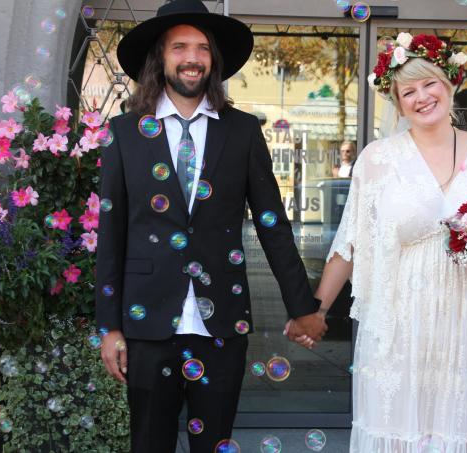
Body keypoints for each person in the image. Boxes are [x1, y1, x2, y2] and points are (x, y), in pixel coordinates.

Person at [94, 1, 327, 451]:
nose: (192, 57)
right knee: (148, 444)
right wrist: (110, 327)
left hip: (220, 321)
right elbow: (112, 234)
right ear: (160, 57)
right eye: (179, 46)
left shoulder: (241, 132)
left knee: (215, 443)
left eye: (202, 48)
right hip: (147, 323)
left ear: (213, 60)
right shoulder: (123, 133)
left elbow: (272, 224)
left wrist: (304, 306)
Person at [289, 32, 467, 452]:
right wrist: (317, 310)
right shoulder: (378, 159)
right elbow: (350, 244)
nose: (422, 97)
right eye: (408, 91)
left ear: (450, 83)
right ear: (397, 101)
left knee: (453, 430)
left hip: (460, 320)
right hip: (396, 323)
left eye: (430, 83)